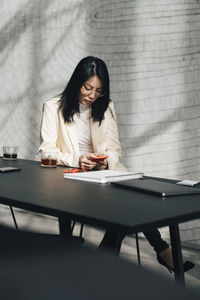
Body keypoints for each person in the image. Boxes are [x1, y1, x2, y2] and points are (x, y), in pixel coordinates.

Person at [39, 56, 194, 273]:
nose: (92, 95)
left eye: (99, 91)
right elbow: (46, 150)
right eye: (87, 88)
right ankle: (158, 251)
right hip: (70, 176)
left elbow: (114, 149)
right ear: (77, 83)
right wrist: (77, 160)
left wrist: (105, 162)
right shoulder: (53, 107)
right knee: (126, 207)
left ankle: (115, 259)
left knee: (136, 198)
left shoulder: (106, 106)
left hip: (103, 174)